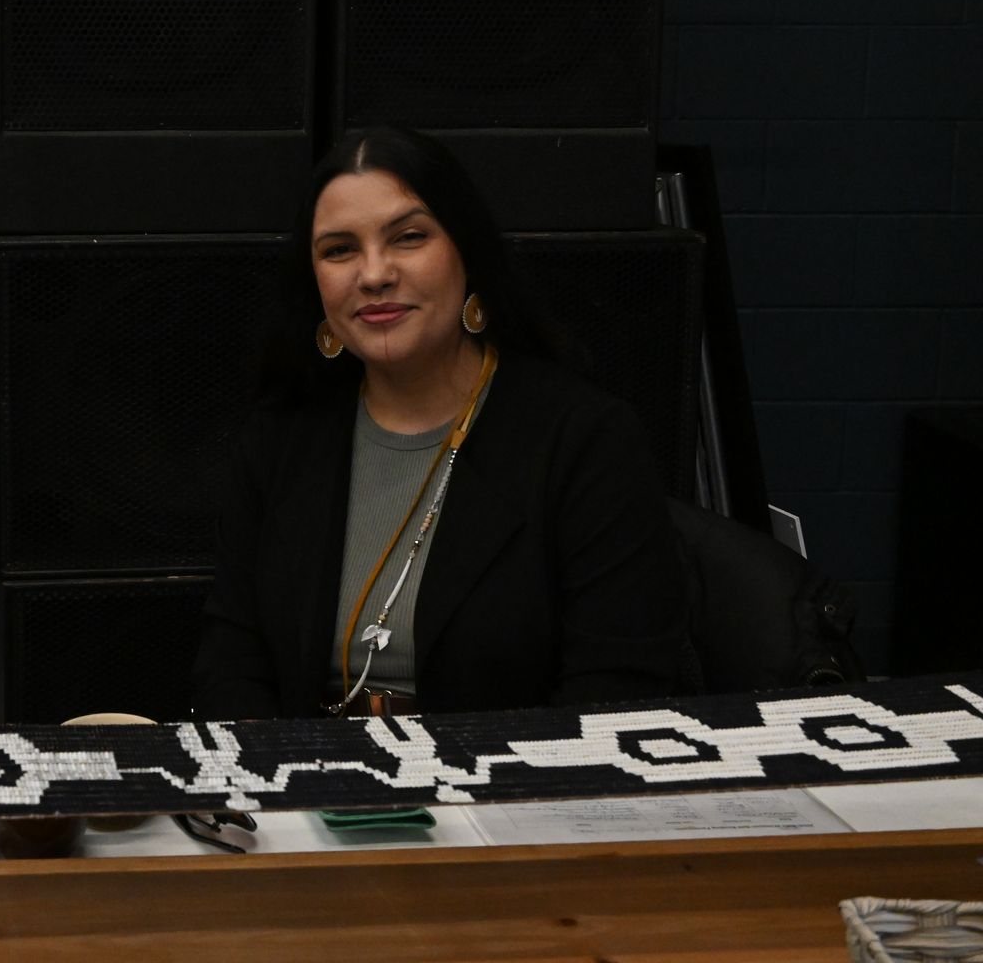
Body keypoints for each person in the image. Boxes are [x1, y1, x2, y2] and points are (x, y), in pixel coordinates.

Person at [193, 125, 687, 719]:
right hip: (308, 792)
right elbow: (230, 666)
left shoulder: (585, 439)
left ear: (467, 254)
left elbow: (619, 691)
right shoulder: (278, 441)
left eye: (407, 238)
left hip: (513, 792)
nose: (373, 274)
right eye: (340, 250)